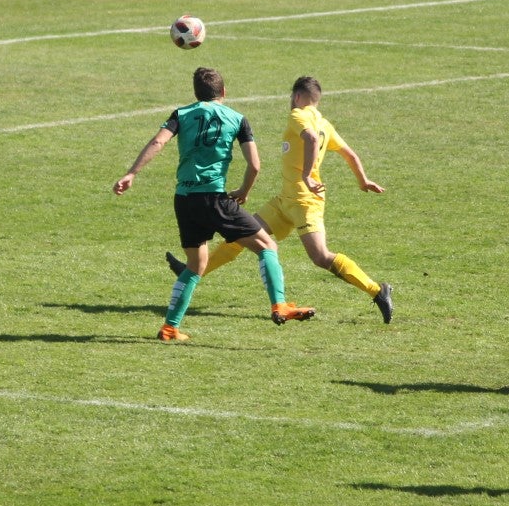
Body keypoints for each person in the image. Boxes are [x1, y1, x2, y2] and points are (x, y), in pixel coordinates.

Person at [165, 75, 392, 322]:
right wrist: (363, 180)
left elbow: (311, 139)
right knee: (241, 235)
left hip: (305, 202)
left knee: (320, 257)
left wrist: (306, 175)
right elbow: (349, 153)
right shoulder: (325, 123)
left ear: (296, 96)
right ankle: (193, 270)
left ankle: (377, 291)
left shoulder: (298, 115)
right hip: (285, 200)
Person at [114, 66, 315, 342]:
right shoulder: (237, 119)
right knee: (267, 245)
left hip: (184, 200)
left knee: (196, 264)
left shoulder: (181, 114)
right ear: (223, 92)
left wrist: (131, 173)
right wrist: (243, 191)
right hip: (215, 198)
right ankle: (279, 305)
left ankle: (170, 328)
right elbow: (254, 165)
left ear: (196, 94)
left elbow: (158, 142)